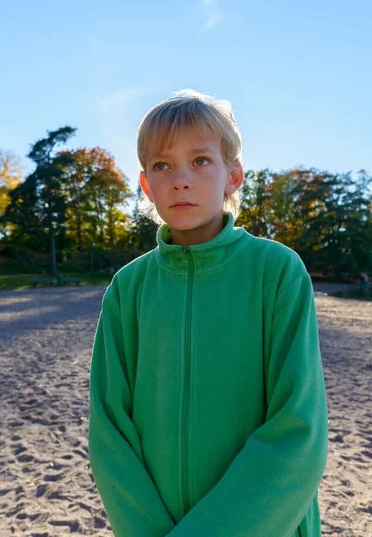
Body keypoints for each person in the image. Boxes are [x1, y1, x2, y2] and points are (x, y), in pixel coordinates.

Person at [88, 88, 329, 537]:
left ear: (233, 176)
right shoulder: (129, 288)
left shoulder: (277, 272)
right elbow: (109, 433)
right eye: (162, 165)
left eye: (200, 160)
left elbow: (299, 431)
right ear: (146, 184)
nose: (181, 179)